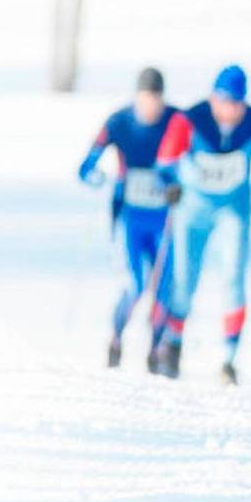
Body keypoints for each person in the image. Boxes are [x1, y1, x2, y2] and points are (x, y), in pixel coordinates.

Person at [153, 64, 251, 385]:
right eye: (223, 103)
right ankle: (172, 343)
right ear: (213, 98)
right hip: (193, 211)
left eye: (235, 105)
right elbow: (163, 163)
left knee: (234, 279)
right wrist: (169, 185)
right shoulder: (190, 119)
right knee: (185, 280)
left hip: (233, 211)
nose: (228, 112)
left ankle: (228, 359)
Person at [78, 66, 180, 371]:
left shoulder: (176, 121)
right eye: (146, 99)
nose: (151, 106)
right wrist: (98, 177)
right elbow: (86, 166)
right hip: (129, 218)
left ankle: (155, 349)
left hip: (164, 219)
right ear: (137, 97)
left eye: (156, 99)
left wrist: (179, 185)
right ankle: (116, 340)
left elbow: (195, 156)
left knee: (163, 286)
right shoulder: (119, 122)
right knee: (134, 285)